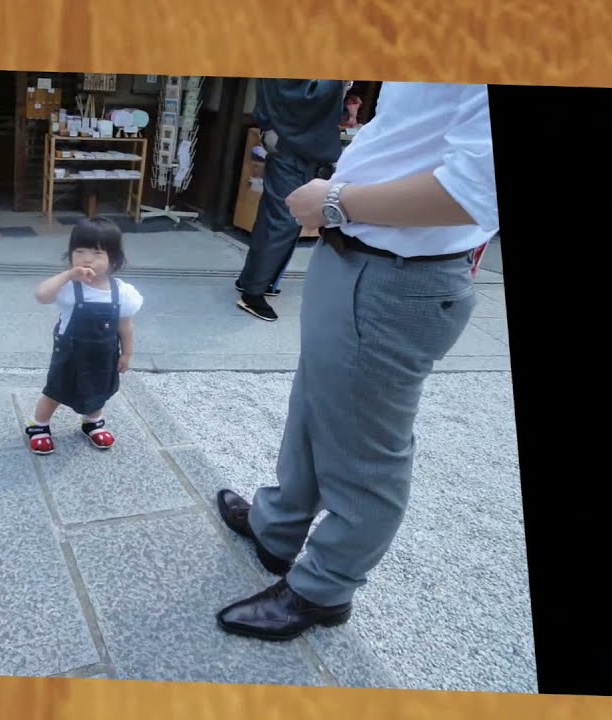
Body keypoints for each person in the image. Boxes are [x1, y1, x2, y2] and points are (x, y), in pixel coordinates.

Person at [214, 82, 499, 641]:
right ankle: (278, 528)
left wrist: (335, 201)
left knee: (366, 451)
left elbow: (478, 190)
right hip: (357, 255)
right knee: (314, 405)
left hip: (401, 274)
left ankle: (324, 588)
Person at [26, 217, 144, 454]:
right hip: (70, 354)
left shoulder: (122, 292)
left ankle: (92, 422)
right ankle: (39, 425)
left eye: (97, 252)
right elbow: (41, 295)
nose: (87, 258)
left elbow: (126, 326)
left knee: (99, 391)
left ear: (113, 259)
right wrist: (67, 275)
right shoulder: (70, 288)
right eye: (79, 251)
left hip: (103, 356)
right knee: (56, 390)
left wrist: (127, 354)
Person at [235, 79, 348, 322]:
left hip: (288, 143)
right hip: (293, 148)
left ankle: (253, 281)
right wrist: (340, 81)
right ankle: (253, 293)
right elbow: (306, 97)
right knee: (282, 222)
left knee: (275, 219)